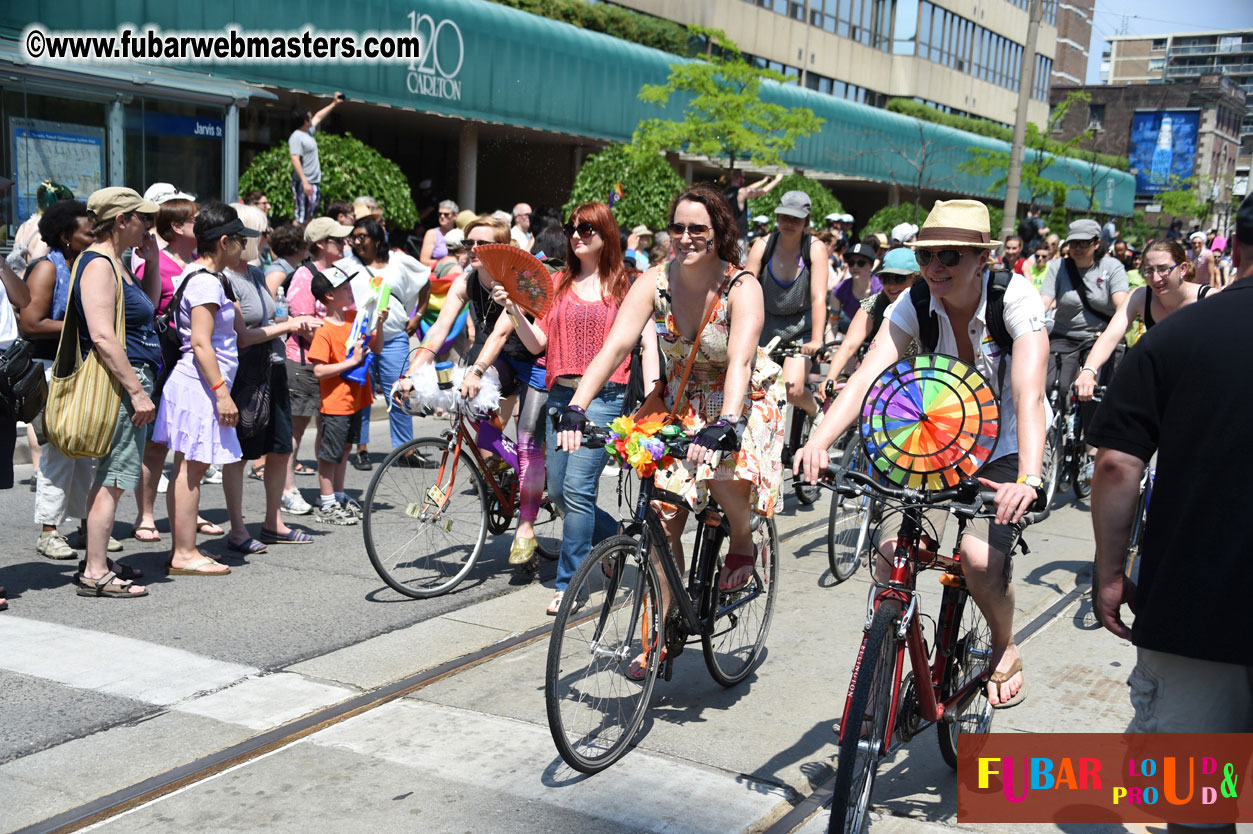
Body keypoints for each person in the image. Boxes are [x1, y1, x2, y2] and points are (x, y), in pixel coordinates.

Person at [798, 199, 1050, 708]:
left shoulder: (1014, 299)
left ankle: (1004, 643)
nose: (935, 266)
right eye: (926, 255)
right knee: (891, 552)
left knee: (978, 560)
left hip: (1006, 445)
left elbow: (1028, 394)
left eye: (950, 256)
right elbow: (866, 376)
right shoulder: (913, 302)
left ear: (982, 259)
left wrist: (1029, 476)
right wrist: (818, 441)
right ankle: (887, 656)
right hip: (938, 440)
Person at [558, 185, 785, 678]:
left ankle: (741, 539)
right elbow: (616, 345)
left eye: (697, 228)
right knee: (661, 519)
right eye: (677, 228)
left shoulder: (741, 286)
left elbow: (741, 361)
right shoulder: (654, 281)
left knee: (724, 468)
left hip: (742, 397)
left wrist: (727, 421)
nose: (685, 237)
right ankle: (661, 630)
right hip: (682, 399)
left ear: (718, 232)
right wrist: (577, 405)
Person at [1088, 194, 1253, 818]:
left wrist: (1109, 571)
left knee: (1196, 804)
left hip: (1195, 606)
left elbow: (1116, 465)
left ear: (1236, 249)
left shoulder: (1176, 335)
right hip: (1196, 612)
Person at [491, 202, 658, 614]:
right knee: (557, 492)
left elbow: (647, 340)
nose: (577, 235)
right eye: (572, 229)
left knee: (579, 490)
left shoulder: (625, 285)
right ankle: (614, 537)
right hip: (560, 398)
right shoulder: (558, 282)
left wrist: (654, 394)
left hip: (604, 398)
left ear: (606, 234)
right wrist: (513, 308)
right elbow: (537, 343)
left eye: (587, 229)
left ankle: (571, 584)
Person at [401, 215, 548, 567]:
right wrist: (411, 373)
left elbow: (501, 332)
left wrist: (477, 371)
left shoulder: (516, 280)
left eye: (482, 244)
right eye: (469, 243)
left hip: (531, 362)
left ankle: (527, 516)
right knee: (481, 430)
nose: (473, 249)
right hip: (496, 358)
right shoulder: (466, 280)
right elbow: (438, 330)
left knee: (527, 443)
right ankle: (507, 471)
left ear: (502, 248)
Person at [152, 202, 259, 578]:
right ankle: (184, 552)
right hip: (199, 386)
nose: (244, 247)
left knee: (186, 468)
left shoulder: (199, 275)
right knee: (191, 471)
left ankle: (181, 549)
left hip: (196, 384)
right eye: (240, 240)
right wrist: (221, 393)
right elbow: (200, 343)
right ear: (225, 241)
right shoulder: (206, 282)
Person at [73, 187, 163, 598]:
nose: (149, 227)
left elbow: (148, 309)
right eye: (143, 219)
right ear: (121, 220)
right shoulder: (98, 264)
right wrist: (136, 391)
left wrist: (153, 262)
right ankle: (95, 570)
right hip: (123, 383)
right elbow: (103, 336)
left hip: (133, 378)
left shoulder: (116, 262)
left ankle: (97, 560)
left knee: (113, 474)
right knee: (114, 476)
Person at [220, 204, 321, 550]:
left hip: (274, 367)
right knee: (240, 453)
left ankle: (273, 522)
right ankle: (237, 529)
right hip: (246, 374)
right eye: (261, 233)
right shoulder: (226, 278)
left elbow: (266, 319)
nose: (266, 239)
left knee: (279, 448)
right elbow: (243, 335)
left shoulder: (255, 273)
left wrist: (289, 323)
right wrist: (290, 325)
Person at [129, 197, 218, 544]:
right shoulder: (157, 263)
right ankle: (146, 514)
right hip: (164, 360)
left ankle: (187, 512)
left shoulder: (199, 262)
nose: (202, 223)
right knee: (156, 445)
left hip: (191, 362)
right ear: (177, 227)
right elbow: (145, 308)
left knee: (189, 445)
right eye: (196, 219)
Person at [21, 200, 96, 560]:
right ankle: (49, 532)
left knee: (83, 451)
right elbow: (31, 322)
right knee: (59, 451)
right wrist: (84, 325)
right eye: (88, 231)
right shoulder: (47, 268)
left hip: (80, 369)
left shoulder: (84, 265)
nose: (94, 236)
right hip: (51, 369)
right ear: (66, 235)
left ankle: (87, 527)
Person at [1040, 218, 1129, 485]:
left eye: (1083, 243)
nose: (1077, 248)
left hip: (1099, 337)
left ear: (1097, 244)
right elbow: (1044, 302)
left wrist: (1117, 326)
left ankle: (1091, 448)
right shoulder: (1058, 266)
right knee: (1049, 386)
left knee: (1092, 391)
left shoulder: (1111, 267)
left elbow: (1122, 304)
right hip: (1063, 335)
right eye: (1073, 243)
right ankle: (1054, 434)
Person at [338, 216, 430, 470]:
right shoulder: (346, 265)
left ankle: (405, 450)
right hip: (361, 341)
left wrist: (418, 316)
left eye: (362, 237)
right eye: (354, 238)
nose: (357, 242)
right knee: (362, 396)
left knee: (400, 393)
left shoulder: (399, 261)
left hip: (394, 338)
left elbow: (426, 282)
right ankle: (361, 449)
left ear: (377, 239)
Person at [1074, 239, 1214, 403]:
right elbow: (1111, 335)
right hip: (1158, 384)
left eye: (1163, 269)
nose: (1155, 278)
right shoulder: (1140, 296)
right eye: (1148, 271)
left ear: (1182, 268)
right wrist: (1088, 371)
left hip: (1197, 386)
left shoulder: (1209, 299)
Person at [280, 217, 354, 515]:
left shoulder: (338, 273)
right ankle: (287, 489)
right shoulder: (304, 275)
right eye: (339, 240)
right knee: (296, 429)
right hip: (305, 362)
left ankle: (331, 492)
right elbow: (302, 323)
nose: (345, 244)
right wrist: (336, 346)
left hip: (334, 364)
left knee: (329, 429)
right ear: (321, 244)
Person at [305, 266, 386, 525]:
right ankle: (327, 502)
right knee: (330, 453)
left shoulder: (355, 317)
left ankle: (338, 496)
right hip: (336, 402)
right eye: (343, 288)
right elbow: (319, 370)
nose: (349, 291)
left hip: (356, 398)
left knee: (345, 448)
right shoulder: (324, 330)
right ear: (329, 295)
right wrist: (351, 362)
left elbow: (377, 347)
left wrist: (380, 323)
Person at [744, 190, 828, 419]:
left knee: (792, 389)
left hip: (801, 327)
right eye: (784, 217)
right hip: (766, 324)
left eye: (796, 219)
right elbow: (745, 291)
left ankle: (815, 411)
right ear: (777, 217)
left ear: (806, 221)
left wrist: (816, 340)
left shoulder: (815, 249)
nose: (789, 223)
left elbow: (819, 298)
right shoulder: (763, 246)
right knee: (751, 384)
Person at [819, 247, 920, 398]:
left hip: (920, 382)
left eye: (899, 279)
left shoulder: (927, 305)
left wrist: (916, 390)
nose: (892, 285)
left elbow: (925, 355)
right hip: (881, 379)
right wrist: (830, 378)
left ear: (916, 278)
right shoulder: (874, 303)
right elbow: (849, 345)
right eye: (886, 278)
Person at [289, 93, 343, 223]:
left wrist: (334, 103)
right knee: (301, 216)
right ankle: (294, 236)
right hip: (304, 183)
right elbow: (295, 159)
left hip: (313, 182)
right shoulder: (296, 136)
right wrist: (304, 182)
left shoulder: (308, 132)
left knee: (310, 216)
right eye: (309, 116)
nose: (312, 117)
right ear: (305, 121)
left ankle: (305, 236)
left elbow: (319, 116)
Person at [722, 170, 784, 253]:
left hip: (726, 234)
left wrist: (763, 181)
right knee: (739, 260)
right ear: (740, 178)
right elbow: (764, 190)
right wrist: (777, 180)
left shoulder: (725, 193)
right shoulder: (742, 192)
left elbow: (749, 188)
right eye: (744, 178)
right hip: (739, 237)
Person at [830, 242, 882, 333]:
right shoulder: (838, 291)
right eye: (851, 263)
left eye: (861, 263)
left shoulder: (881, 289)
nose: (855, 267)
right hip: (850, 334)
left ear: (871, 266)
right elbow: (833, 324)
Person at [263, 224, 308, 298]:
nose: (307, 248)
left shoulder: (288, 269)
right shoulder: (278, 274)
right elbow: (268, 302)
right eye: (304, 244)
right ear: (295, 247)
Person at [420, 200, 458, 267]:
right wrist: (446, 263)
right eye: (440, 214)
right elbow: (424, 260)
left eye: (446, 214)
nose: (442, 216)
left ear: (455, 216)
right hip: (438, 271)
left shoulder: (459, 234)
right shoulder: (432, 234)